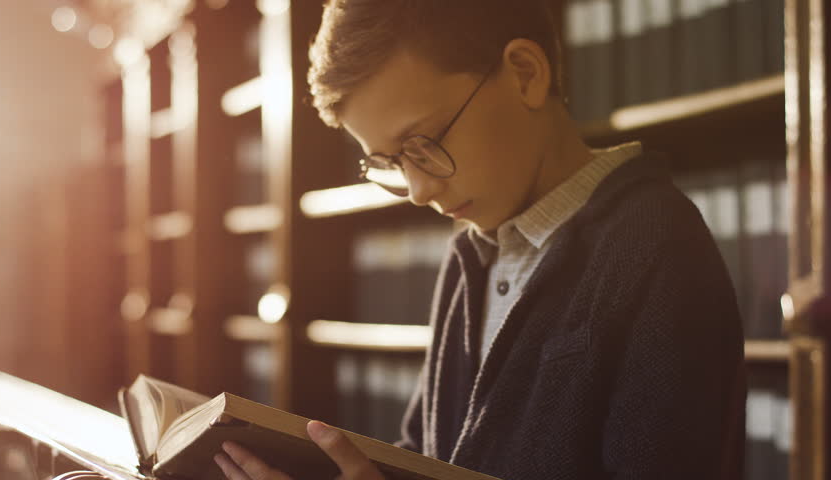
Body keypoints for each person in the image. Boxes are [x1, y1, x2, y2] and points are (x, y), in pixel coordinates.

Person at [214, 1, 746, 479]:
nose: (419, 192)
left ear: (524, 73)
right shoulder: (474, 249)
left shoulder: (655, 247)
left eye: (422, 144)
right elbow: (430, 455)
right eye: (389, 163)